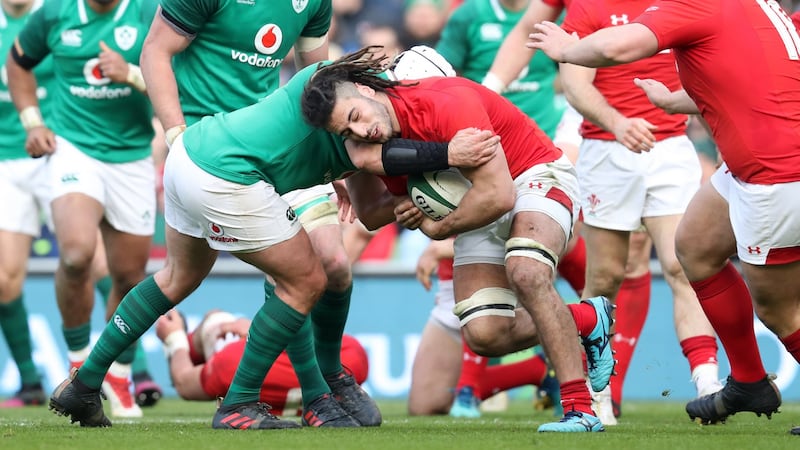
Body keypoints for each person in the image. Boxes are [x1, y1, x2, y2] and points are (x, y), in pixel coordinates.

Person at [44, 54, 501, 428]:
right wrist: (448, 154)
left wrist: (410, 205)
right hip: (227, 176)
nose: (424, 113)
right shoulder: (353, 107)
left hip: (192, 156)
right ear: (384, 86)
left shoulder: (348, 100)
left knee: (176, 278)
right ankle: (242, 404)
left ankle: (83, 385)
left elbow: (368, 209)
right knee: (305, 279)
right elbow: (369, 155)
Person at [302, 47, 616, 433]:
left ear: (365, 90)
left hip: (532, 175)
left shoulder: (448, 99)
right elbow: (370, 213)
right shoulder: (361, 144)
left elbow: (500, 195)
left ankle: (580, 411)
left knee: (527, 270)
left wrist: (437, 226)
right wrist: (402, 199)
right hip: (476, 201)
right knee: (485, 334)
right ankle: (588, 317)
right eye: (346, 132)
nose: (361, 131)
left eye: (356, 117)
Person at [528, 0, 799, 429]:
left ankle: (726, 379)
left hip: (775, 171)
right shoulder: (764, 9)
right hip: (744, 163)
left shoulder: (699, 4)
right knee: (691, 248)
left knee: (780, 311)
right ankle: (745, 380)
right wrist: (677, 102)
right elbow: (747, 76)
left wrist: (566, 48)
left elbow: (619, 47)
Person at [138, 0, 381, 426]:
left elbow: (320, 81)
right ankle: (312, 399)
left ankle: (329, 380)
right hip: (213, 151)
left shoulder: (313, 4)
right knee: (199, 277)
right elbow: (155, 51)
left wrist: (330, 155)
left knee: (334, 264)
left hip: (279, 147)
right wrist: (176, 136)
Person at [556, 0, 722, 425]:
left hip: (670, 149)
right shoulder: (589, 6)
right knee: (606, 278)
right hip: (607, 151)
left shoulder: (680, 4)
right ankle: (598, 393)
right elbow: (574, 82)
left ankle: (709, 384)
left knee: (683, 265)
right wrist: (616, 122)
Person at [5, 0, 160, 418]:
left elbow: (181, 77)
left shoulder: (149, 14)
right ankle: (79, 367)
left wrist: (128, 73)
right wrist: (33, 121)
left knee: (129, 275)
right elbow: (18, 63)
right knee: (75, 255)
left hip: (131, 154)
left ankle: (120, 375)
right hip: (73, 148)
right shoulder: (55, 13)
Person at [408, 237, 560, 418]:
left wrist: (441, 248)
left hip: (496, 285)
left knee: (561, 317)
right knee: (423, 406)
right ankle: (536, 369)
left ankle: (468, 389)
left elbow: (512, 229)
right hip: (448, 290)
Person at [155, 309, 370, 416]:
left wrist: (174, 338)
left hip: (237, 369)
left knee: (215, 319)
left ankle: (180, 335)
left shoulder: (233, 361)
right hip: (308, 401)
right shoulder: (353, 354)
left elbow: (184, 383)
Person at [0, 0, 54, 408]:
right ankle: (31, 381)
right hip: (7, 160)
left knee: (92, 261)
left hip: (63, 152)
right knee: (4, 280)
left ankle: (131, 370)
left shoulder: (54, 16)